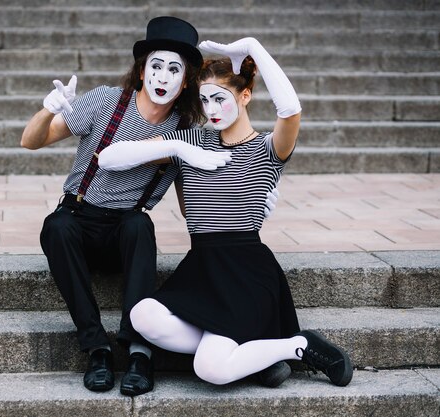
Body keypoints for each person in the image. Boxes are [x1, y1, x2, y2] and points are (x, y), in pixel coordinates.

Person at [98, 37, 354, 389]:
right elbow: (109, 157)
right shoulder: (194, 142)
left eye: (220, 98)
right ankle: (256, 355)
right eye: (204, 100)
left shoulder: (268, 148)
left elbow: (290, 110)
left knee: (211, 369)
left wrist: (255, 48)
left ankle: (298, 346)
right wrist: (175, 146)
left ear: (244, 97)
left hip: (246, 273)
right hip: (202, 269)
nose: (211, 108)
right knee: (142, 315)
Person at [20, 16, 240, 396]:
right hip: (79, 218)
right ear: (142, 71)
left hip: (126, 230)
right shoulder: (106, 101)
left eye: (175, 69)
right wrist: (47, 108)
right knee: (56, 227)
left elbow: (192, 206)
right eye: (156, 66)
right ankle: (96, 349)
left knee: (140, 226)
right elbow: (30, 141)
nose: (163, 77)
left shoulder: (186, 131)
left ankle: (140, 351)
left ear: (186, 80)